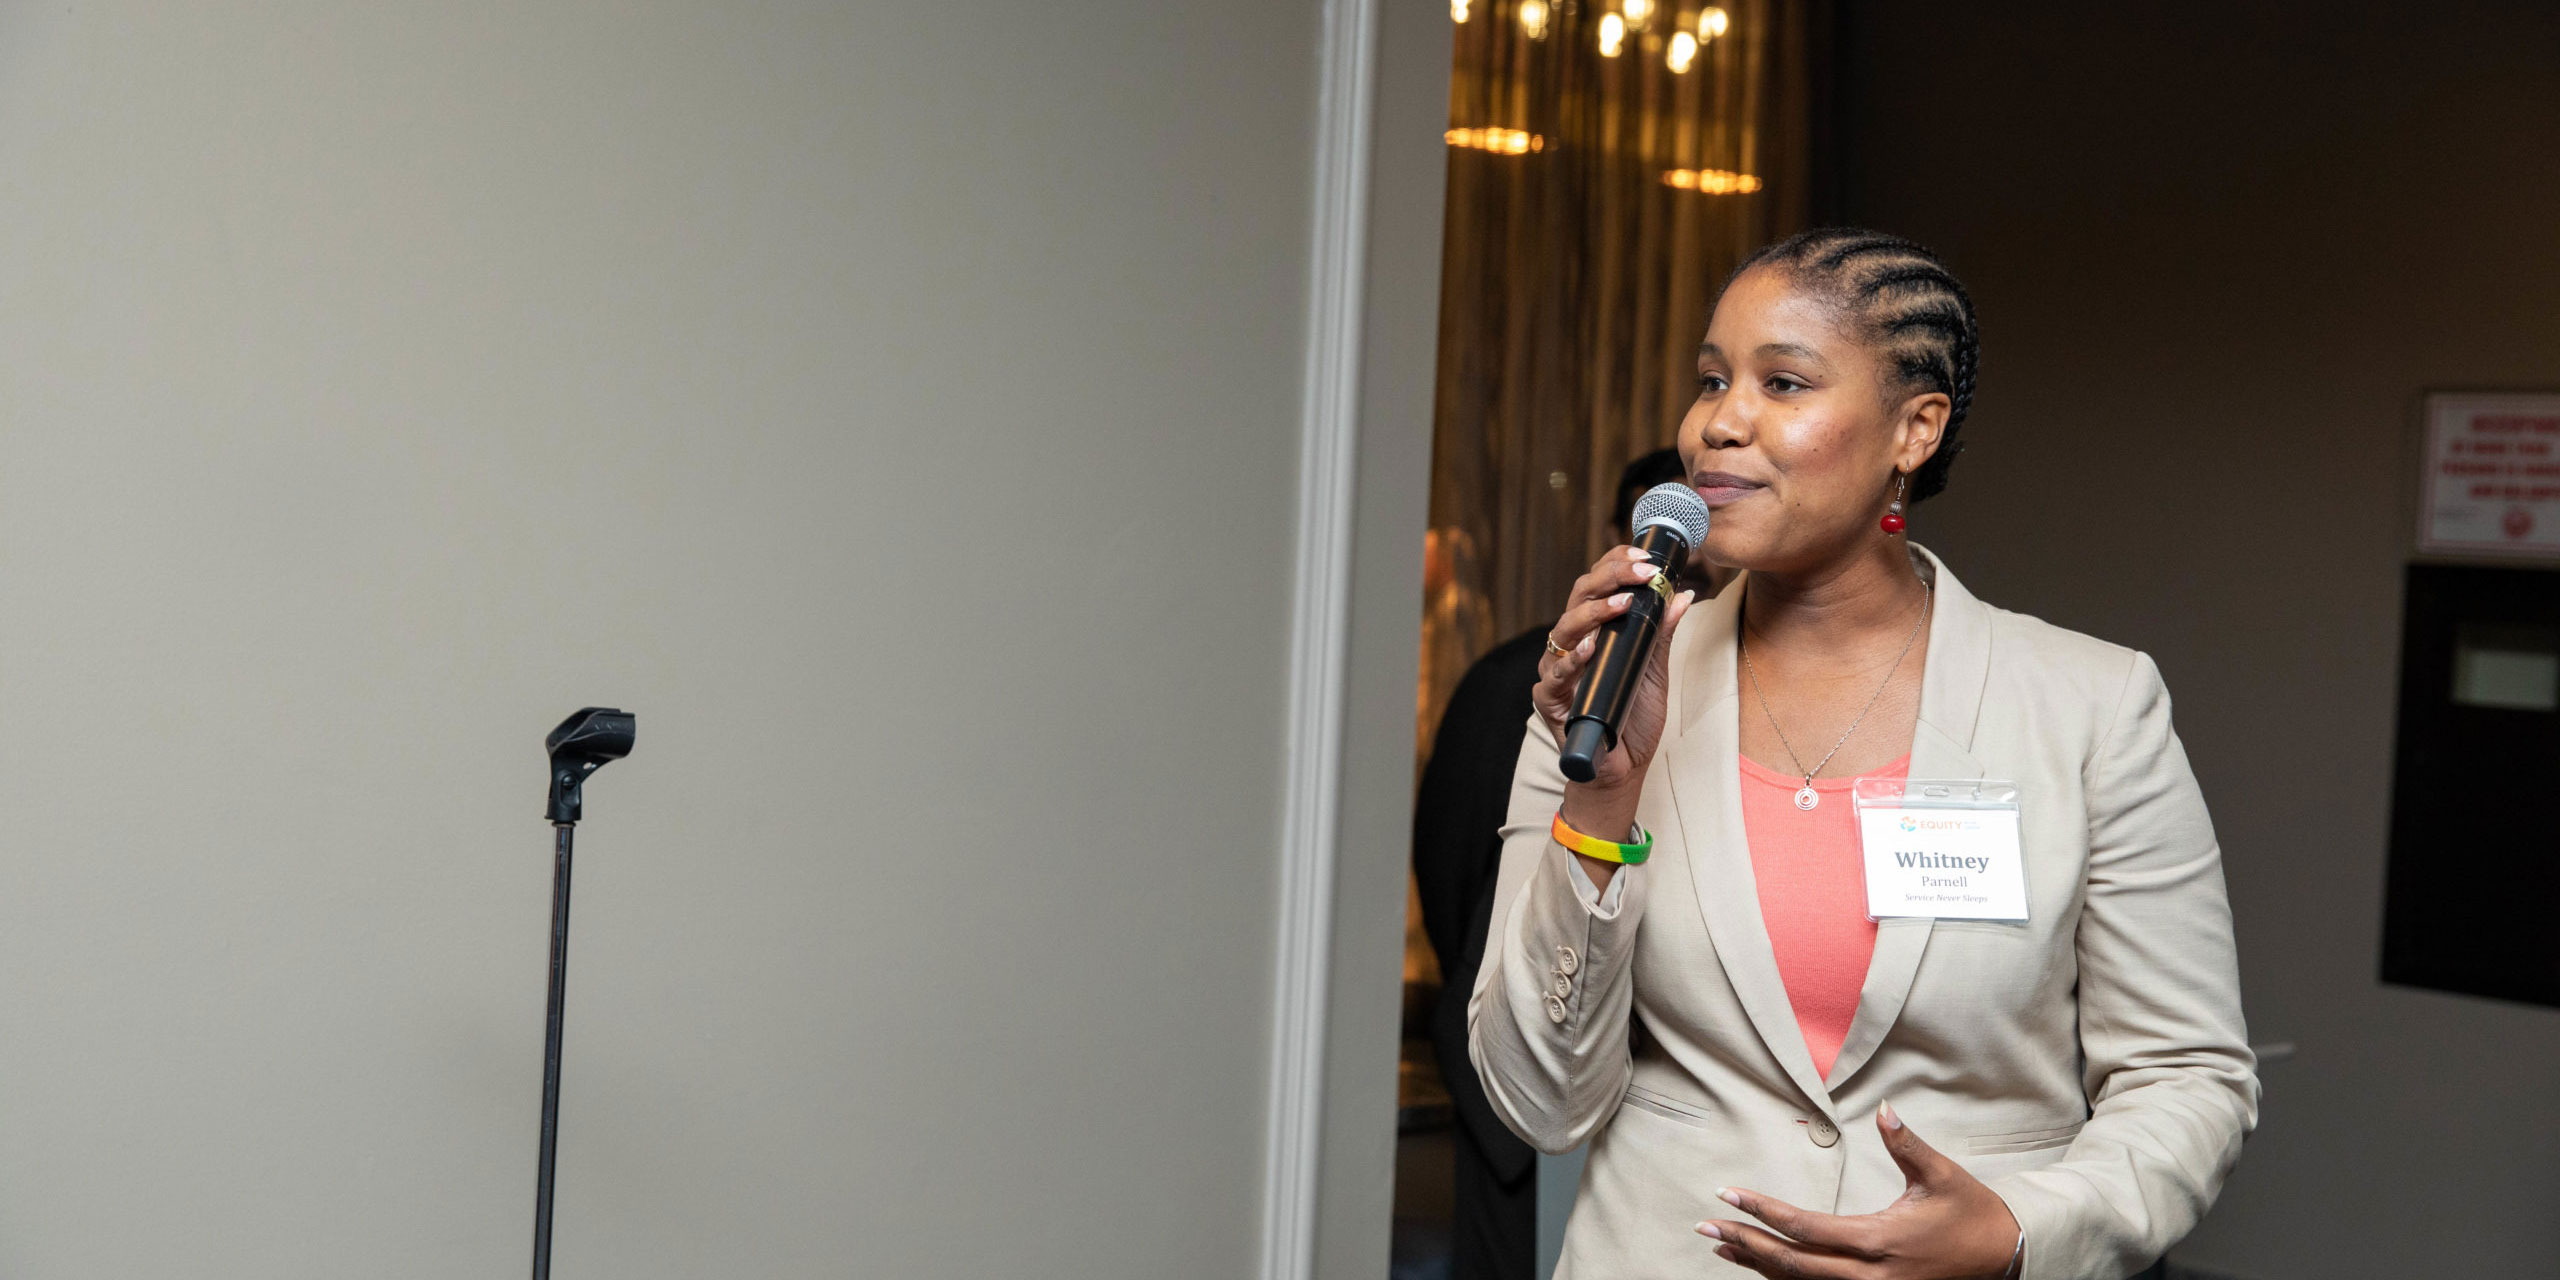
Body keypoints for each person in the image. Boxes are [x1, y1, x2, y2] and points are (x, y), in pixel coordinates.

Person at [1468, 229, 2256, 1280]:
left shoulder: (2091, 707)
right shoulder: (1605, 695)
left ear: (1913, 429)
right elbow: (1540, 1098)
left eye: (1781, 381)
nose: (1718, 422)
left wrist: (2020, 1229)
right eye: (1711, 379)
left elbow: (2188, 1073)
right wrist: (1601, 804)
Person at [1414, 446, 1692, 1280]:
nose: (1673, 571)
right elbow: (1449, 865)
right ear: (1615, 539)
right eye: (1654, 543)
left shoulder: (1728, 691)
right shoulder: (1517, 685)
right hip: (1518, 1049)